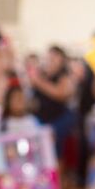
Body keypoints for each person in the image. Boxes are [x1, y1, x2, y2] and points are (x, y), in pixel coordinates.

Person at [29, 45, 77, 181]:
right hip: (41, 119)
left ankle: (57, 181)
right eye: (49, 57)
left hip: (59, 119)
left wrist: (39, 82)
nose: (50, 60)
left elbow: (61, 94)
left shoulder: (64, 76)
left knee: (56, 150)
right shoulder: (41, 74)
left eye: (54, 57)